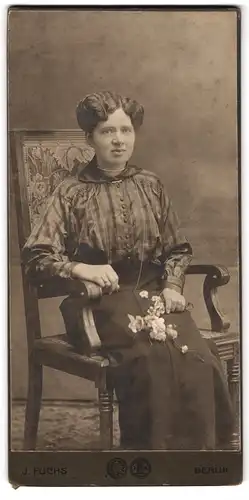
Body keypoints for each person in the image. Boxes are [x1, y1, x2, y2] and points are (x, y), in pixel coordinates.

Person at [22, 91, 234, 450]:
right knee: (149, 360)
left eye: (126, 131)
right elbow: (36, 258)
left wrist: (172, 286)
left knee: (197, 358)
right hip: (97, 303)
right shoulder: (70, 192)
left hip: (154, 294)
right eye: (107, 132)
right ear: (89, 138)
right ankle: (147, 457)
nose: (119, 140)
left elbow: (177, 248)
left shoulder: (150, 185)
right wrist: (80, 268)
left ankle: (200, 459)